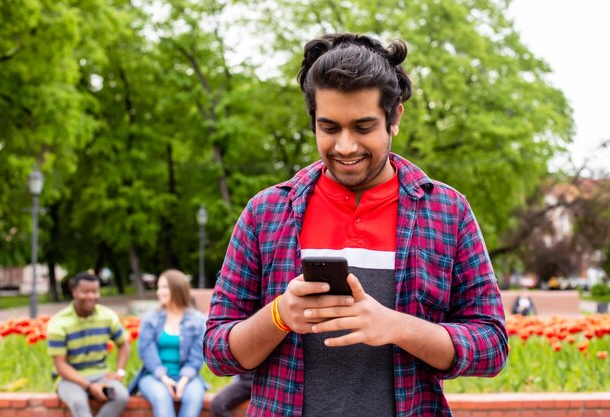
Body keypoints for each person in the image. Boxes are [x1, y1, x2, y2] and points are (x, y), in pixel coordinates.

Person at [204, 33, 509, 416]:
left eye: (363, 127)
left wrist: (397, 327)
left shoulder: (449, 212)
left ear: (395, 118)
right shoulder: (265, 212)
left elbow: (492, 346)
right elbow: (217, 351)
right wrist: (280, 314)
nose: (345, 147)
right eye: (329, 128)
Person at [47, 271, 130, 417]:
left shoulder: (107, 316)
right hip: (69, 378)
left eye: (95, 292)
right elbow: (60, 365)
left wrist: (120, 372)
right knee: (79, 402)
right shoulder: (59, 323)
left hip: (101, 374)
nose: (91, 296)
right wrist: (90, 387)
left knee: (121, 396)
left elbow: (124, 344)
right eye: (85, 292)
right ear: (74, 292)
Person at [129, 269, 207, 417]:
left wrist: (183, 381)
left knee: (194, 398)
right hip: (154, 377)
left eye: (164, 287)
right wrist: (164, 379)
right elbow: (146, 353)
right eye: (159, 287)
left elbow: (197, 357)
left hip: (187, 377)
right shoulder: (150, 319)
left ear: (177, 289)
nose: (159, 292)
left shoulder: (197, 321)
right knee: (162, 397)